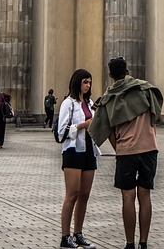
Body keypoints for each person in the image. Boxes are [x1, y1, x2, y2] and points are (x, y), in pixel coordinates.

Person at [89, 57, 162, 249]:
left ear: (110, 75)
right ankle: (143, 243)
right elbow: (157, 114)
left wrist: (119, 147)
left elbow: (105, 130)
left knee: (127, 196)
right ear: (127, 71)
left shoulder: (108, 99)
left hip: (126, 152)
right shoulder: (145, 90)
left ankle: (129, 243)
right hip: (149, 148)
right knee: (144, 195)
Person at [57, 69, 100, 249]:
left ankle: (78, 233)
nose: (87, 85)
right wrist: (84, 125)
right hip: (73, 151)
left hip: (89, 151)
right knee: (72, 194)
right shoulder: (69, 103)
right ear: (77, 83)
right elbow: (62, 132)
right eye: (84, 82)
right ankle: (65, 236)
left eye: (89, 82)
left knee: (84, 195)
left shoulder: (90, 103)